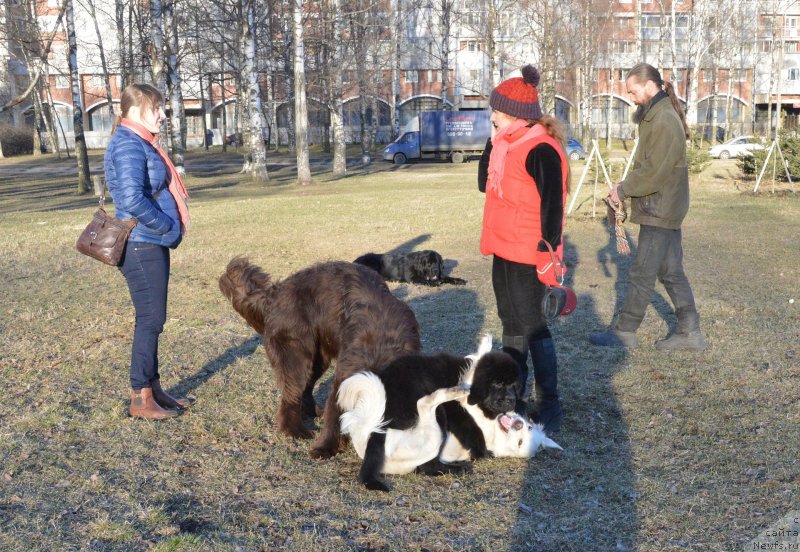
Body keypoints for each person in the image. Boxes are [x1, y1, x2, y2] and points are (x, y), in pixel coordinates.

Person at [478, 65, 570, 434]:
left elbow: (553, 205)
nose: (492, 115)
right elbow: (482, 183)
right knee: (510, 323)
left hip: (528, 252)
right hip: (504, 247)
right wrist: (493, 138)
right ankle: (513, 399)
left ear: (514, 113)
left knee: (532, 326)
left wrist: (549, 254)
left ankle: (549, 403)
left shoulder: (540, 148)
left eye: (496, 110)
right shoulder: (507, 142)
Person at [590, 63, 706, 351]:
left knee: (642, 273)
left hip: (660, 209)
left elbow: (654, 172)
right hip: (663, 206)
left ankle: (625, 331)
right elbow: (652, 167)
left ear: (649, 85)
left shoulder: (663, 119)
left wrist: (623, 190)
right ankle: (690, 332)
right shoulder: (657, 116)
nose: (631, 97)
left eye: (633, 91)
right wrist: (625, 186)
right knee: (670, 271)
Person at [105, 83, 194, 419]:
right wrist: (167, 226)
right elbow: (131, 199)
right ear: (136, 108)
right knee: (150, 320)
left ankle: (153, 390)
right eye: (157, 107)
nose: (163, 114)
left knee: (153, 319)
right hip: (141, 243)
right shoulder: (128, 143)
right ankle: (140, 397)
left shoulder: (140, 141)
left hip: (150, 241)